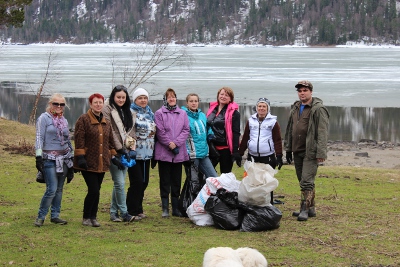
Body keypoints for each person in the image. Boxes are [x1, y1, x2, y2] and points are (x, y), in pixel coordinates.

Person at [74, 93, 123, 227]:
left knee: (97, 189)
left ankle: (93, 217)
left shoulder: (106, 122)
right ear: (90, 104)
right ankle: (86, 217)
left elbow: (110, 142)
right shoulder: (83, 120)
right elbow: (79, 139)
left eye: (100, 102)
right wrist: (80, 156)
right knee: (93, 189)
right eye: (95, 102)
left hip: (102, 162)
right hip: (88, 162)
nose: (98, 105)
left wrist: (114, 157)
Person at [284, 80, 329, 221]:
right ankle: (311, 208)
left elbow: (322, 132)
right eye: (300, 91)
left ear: (311, 92)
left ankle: (303, 209)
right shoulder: (296, 107)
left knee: (306, 181)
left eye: (305, 90)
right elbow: (290, 129)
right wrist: (288, 148)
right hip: (297, 150)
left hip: (311, 151)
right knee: (302, 180)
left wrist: (321, 153)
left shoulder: (318, 109)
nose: (302, 93)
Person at [34, 93, 74, 227]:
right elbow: (39, 137)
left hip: (64, 158)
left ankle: (55, 215)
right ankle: (41, 216)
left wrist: (72, 157)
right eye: (56, 103)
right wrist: (38, 156)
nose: (59, 106)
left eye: (61, 104)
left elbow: (67, 140)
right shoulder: (44, 118)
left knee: (59, 189)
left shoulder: (64, 120)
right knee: (51, 189)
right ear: (50, 104)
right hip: (49, 158)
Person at [102, 85, 137, 223]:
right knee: (120, 183)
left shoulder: (128, 111)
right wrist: (119, 149)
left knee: (119, 184)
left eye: (123, 97)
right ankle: (124, 213)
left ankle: (113, 212)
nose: (121, 100)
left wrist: (132, 149)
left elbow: (132, 131)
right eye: (118, 97)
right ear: (113, 97)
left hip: (126, 152)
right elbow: (109, 131)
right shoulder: (107, 109)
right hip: (113, 151)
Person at [238, 97, 283, 204]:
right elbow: (245, 138)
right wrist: (239, 153)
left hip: (267, 156)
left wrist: (279, 156)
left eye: (264, 106)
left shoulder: (273, 122)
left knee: (267, 181)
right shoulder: (251, 121)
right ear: (256, 108)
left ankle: (268, 203)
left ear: (268, 109)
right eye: (259, 106)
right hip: (252, 156)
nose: (261, 108)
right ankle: (252, 201)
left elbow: (277, 140)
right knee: (252, 179)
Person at [154, 88, 190, 217]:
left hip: (178, 153)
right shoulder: (159, 113)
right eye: (169, 97)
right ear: (165, 99)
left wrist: (177, 143)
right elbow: (160, 131)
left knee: (176, 180)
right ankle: (165, 208)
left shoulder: (182, 113)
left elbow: (186, 130)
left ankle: (175, 208)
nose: (171, 99)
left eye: (173, 97)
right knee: (164, 181)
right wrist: (169, 143)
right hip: (164, 152)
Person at [127, 88, 156, 219]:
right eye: (140, 98)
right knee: (137, 182)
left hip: (147, 152)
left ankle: (139, 208)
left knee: (144, 182)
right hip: (134, 153)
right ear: (135, 100)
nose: (143, 100)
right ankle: (131, 209)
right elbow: (128, 132)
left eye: (145, 98)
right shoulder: (130, 113)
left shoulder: (150, 113)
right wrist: (130, 148)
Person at [182, 93, 218, 178]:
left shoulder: (202, 115)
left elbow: (207, 128)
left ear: (198, 102)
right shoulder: (183, 116)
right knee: (193, 182)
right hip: (192, 155)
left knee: (214, 178)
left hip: (204, 154)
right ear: (187, 103)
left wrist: (210, 135)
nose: (193, 103)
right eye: (191, 101)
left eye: (195, 101)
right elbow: (182, 134)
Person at [206, 86, 241, 174]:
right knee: (207, 174)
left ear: (230, 99)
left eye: (226, 95)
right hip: (211, 147)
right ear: (218, 95)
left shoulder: (235, 113)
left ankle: (225, 188)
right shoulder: (211, 109)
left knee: (225, 176)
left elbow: (236, 133)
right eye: (221, 94)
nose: (223, 97)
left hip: (225, 149)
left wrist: (236, 151)